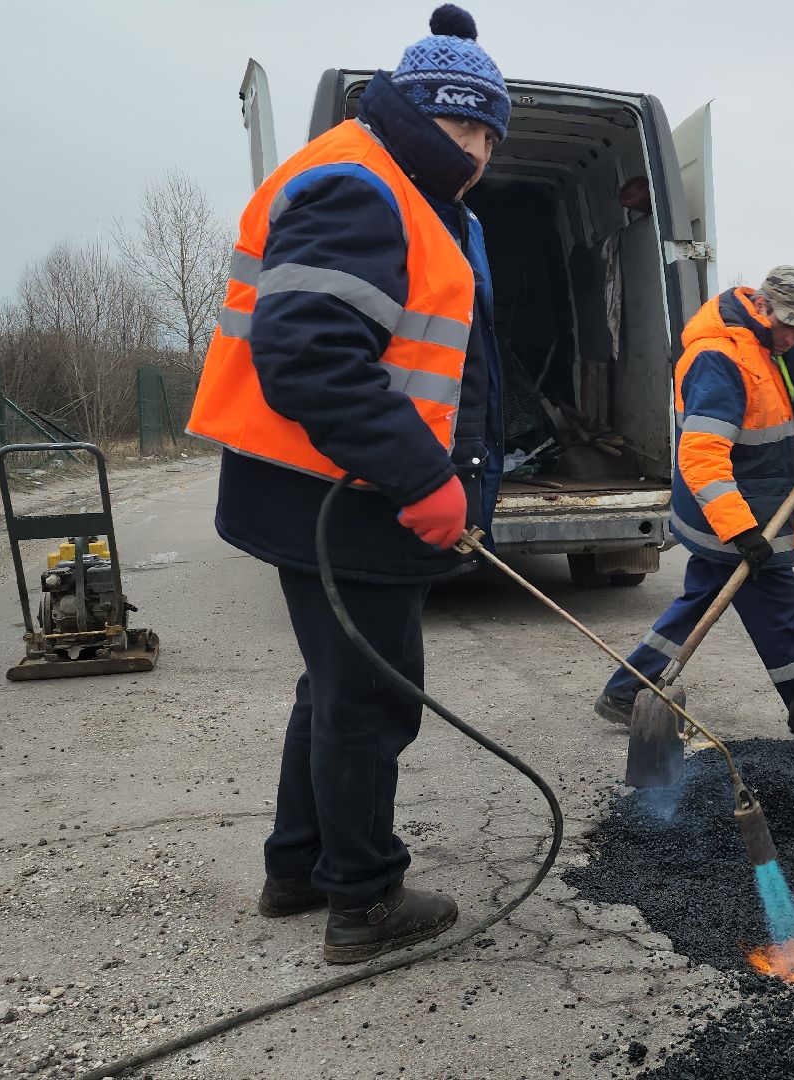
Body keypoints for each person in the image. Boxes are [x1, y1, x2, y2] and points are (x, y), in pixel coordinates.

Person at [187, 4, 509, 965]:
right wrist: (422, 478)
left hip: (333, 493)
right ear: (417, 111)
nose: (480, 151)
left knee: (333, 688)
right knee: (372, 699)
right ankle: (364, 901)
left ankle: (298, 865)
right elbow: (312, 354)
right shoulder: (361, 184)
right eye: (463, 127)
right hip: (347, 498)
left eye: (491, 133)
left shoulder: (408, 189)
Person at [593, 268, 794, 742]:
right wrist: (740, 530)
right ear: (763, 307)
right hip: (731, 516)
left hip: (751, 511)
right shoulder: (718, 357)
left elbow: (776, 423)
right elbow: (703, 455)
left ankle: (627, 690)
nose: (792, 335)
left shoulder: (780, 350)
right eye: (786, 323)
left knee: (698, 604)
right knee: (781, 611)